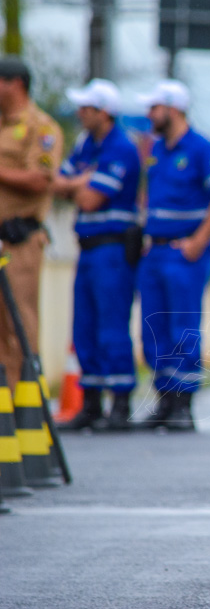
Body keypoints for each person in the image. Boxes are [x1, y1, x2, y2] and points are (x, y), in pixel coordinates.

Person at [136, 80, 210, 431]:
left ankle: (183, 405)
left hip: (184, 253)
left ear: (173, 109)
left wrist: (198, 240)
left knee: (182, 328)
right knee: (153, 329)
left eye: (154, 108)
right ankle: (163, 399)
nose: (149, 114)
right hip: (156, 253)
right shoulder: (157, 150)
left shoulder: (201, 149)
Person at [53, 79, 142, 431]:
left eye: (87, 108)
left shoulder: (121, 148)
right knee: (85, 326)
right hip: (87, 250)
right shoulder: (86, 144)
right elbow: (55, 183)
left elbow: (90, 199)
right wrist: (81, 180)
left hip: (113, 250)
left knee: (111, 327)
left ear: (104, 112)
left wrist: (75, 184)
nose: (80, 113)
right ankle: (90, 404)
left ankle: (119, 404)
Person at [0, 57, 62, 390]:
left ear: (15, 84)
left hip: (19, 240)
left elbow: (41, 180)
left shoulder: (41, 127)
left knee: (19, 321)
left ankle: (25, 401)